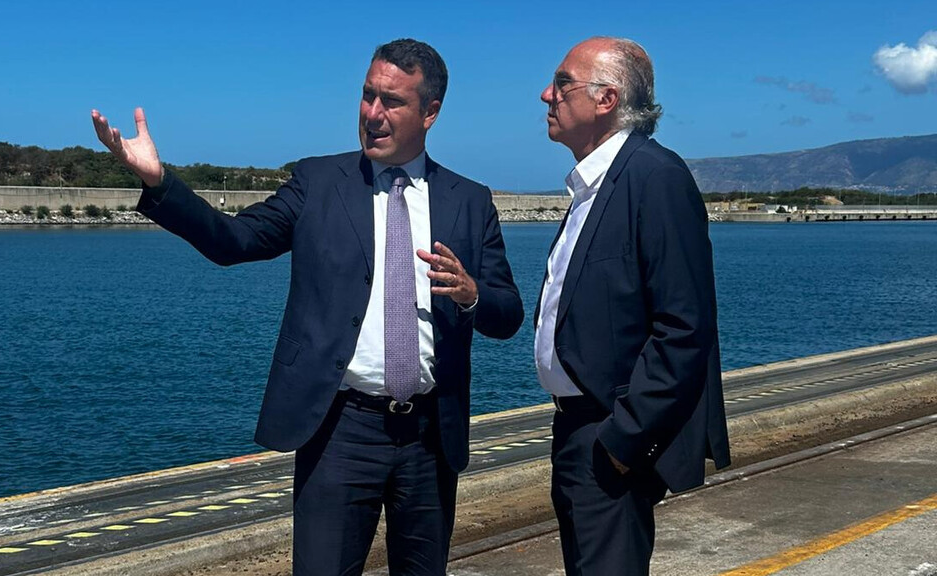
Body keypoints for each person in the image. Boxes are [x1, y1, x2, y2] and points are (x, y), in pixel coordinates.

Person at [91, 38, 523, 576]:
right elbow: (234, 241)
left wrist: (471, 293)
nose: (372, 113)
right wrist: (160, 182)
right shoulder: (318, 182)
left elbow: (508, 313)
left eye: (392, 101)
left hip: (430, 437)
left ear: (430, 112)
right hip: (339, 431)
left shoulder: (469, 200)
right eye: (367, 95)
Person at [533, 37, 731, 575]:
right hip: (576, 429)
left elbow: (684, 326)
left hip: (610, 436)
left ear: (607, 99)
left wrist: (625, 440)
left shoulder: (655, 177)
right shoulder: (593, 185)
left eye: (563, 83)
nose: (547, 94)